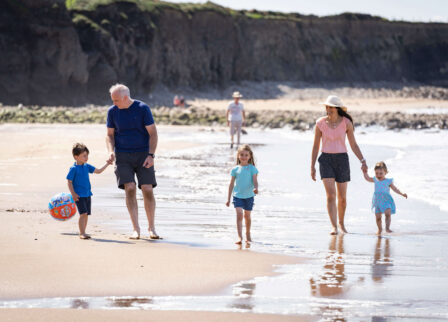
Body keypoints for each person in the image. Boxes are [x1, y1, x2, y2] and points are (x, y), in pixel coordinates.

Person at [106, 84, 159, 240]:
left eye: (116, 100)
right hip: (122, 155)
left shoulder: (142, 108)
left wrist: (151, 155)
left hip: (143, 154)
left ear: (125, 97)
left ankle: (152, 228)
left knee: (147, 188)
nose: (114, 103)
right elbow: (109, 135)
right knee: (129, 188)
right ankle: (136, 229)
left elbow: (153, 134)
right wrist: (110, 151)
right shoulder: (112, 111)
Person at [311, 95, 367, 235]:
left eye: (331, 107)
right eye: (327, 107)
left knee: (342, 198)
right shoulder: (320, 123)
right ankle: (334, 226)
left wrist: (363, 160)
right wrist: (312, 166)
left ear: (337, 109)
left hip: (342, 159)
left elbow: (353, 144)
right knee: (331, 195)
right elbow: (315, 146)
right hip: (326, 160)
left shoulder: (346, 123)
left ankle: (341, 223)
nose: (328, 109)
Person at [67, 143, 111, 239]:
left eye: (87, 155)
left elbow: (99, 171)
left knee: (86, 214)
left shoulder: (87, 166)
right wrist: (73, 194)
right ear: (76, 157)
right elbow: (69, 182)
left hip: (87, 194)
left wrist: (107, 163)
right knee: (83, 214)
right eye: (84, 156)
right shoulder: (73, 169)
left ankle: (84, 232)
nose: (86, 157)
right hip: (79, 196)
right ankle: (82, 233)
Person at [363, 161, 407, 235]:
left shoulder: (388, 181)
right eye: (376, 173)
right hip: (377, 201)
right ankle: (379, 229)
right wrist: (364, 172)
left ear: (385, 172)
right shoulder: (375, 180)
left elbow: (395, 189)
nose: (378, 175)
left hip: (386, 200)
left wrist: (402, 193)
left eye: (381, 173)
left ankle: (387, 228)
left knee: (387, 214)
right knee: (378, 217)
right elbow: (367, 178)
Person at [226, 144, 258, 244]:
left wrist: (256, 188)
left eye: (246, 155)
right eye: (242, 155)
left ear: (250, 156)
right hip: (237, 195)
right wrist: (228, 199)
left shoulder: (252, 168)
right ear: (238, 156)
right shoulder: (235, 169)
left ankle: (248, 234)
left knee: (247, 216)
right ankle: (240, 237)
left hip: (249, 196)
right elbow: (231, 184)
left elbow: (255, 181)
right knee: (239, 214)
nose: (244, 157)